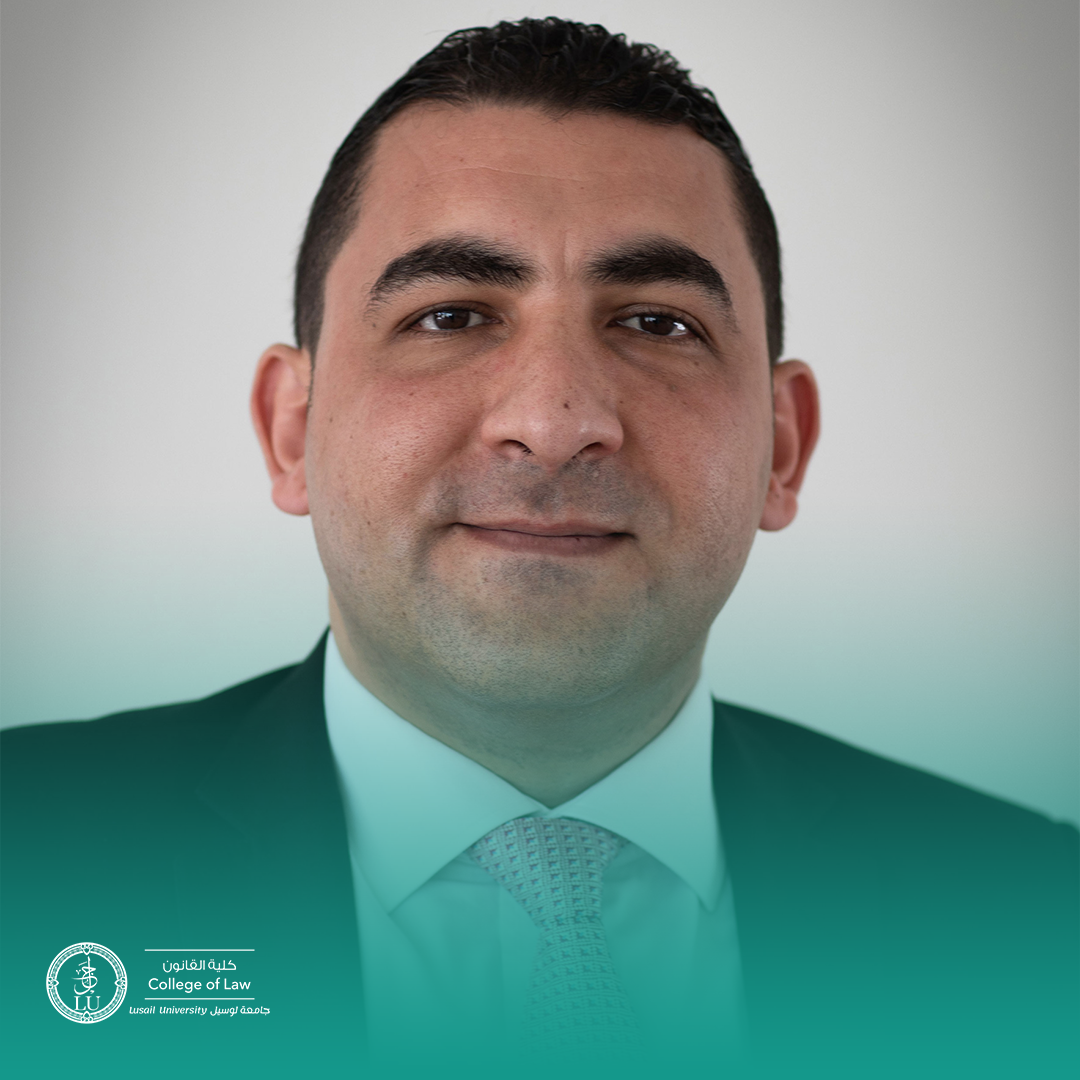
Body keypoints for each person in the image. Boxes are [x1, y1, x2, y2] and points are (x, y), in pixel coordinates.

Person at [2, 17, 1075, 1080]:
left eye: (657, 323)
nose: (556, 422)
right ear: (291, 430)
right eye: (451, 316)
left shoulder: (1033, 914)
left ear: (782, 450)